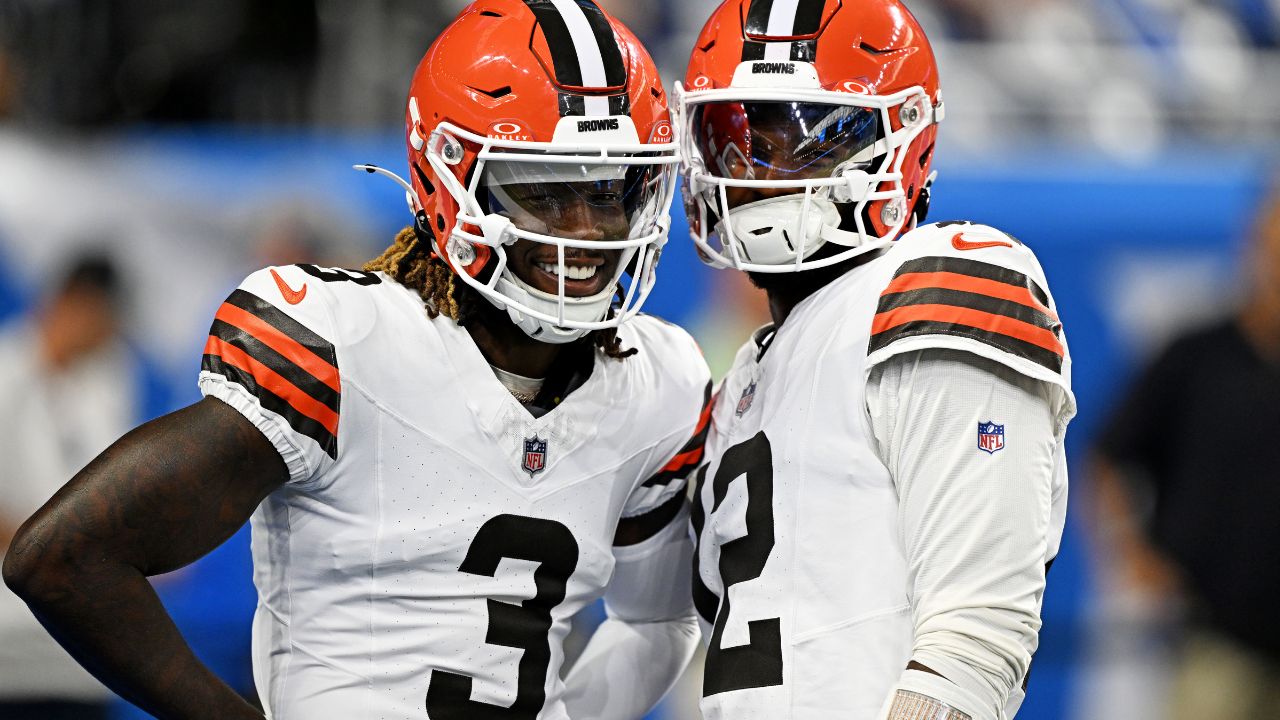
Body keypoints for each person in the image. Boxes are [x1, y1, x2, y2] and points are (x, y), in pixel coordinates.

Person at [4, 2, 710, 719]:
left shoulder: (654, 384)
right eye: (545, 188)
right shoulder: (350, 346)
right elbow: (64, 556)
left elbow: (657, 621)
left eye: (608, 188)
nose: (585, 231)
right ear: (450, 178)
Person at [676, 1, 1076, 719]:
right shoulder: (746, 379)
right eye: (738, 136)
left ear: (900, 139)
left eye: (804, 137)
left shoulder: (942, 282)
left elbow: (973, 642)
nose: (758, 169)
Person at [1089, 188, 1280, 719]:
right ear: (1255, 247)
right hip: (1217, 636)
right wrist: (1135, 558)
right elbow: (1108, 456)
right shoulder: (1199, 356)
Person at [0, 254, 127, 719]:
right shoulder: (5, 373)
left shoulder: (109, 377)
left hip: (82, 647)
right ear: (70, 304)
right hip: (7, 640)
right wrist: (47, 547)